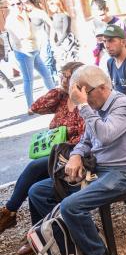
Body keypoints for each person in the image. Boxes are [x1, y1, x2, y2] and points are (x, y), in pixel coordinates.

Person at [26, 65, 126, 255]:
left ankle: (97, 253)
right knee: (37, 191)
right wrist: (75, 156)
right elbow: (86, 141)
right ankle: (63, 242)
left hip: (122, 172)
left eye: (85, 94)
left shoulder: (124, 106)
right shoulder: (95, 107)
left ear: (100, 88)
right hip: (97, 168)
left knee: (71, 206)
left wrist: (83, 106)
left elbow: (106, 135)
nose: (84, 100)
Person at [0, 62, 85, 241]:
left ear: (79, 79)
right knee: (33, 184)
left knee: (34, 168)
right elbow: (34, 108)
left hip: (73, 155)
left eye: (68, 77)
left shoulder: (84, 103)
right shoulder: (61, 99)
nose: (63, 79)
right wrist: (59, 90)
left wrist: (63, 149)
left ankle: (10, 212)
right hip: (55, 155)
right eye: (62, 75)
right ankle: (38, 233)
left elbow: (85, 138)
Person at [4, 0, 56, 108]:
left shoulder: (24, 14)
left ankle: (56, 98)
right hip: (24, 53)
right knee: (29, 80)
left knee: (46, 75)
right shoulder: (11, 20)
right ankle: (30, 106)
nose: (17, 6)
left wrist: (29, 7)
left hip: (34, 49)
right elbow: (26, 34)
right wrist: (26, 18)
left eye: (18, 3)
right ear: (8, 6)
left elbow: (40, 14)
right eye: (13, 4)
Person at [45, 0, 79, 71]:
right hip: (58, 43)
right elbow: (53, 30)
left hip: (67, 42)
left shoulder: (65, 16)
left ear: (57, 4)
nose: (49, 8)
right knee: (61, 65)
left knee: (70, 64)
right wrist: (53, 41)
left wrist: (58, 43)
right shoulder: (54, 16)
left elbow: (66, 32)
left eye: (51, 5)